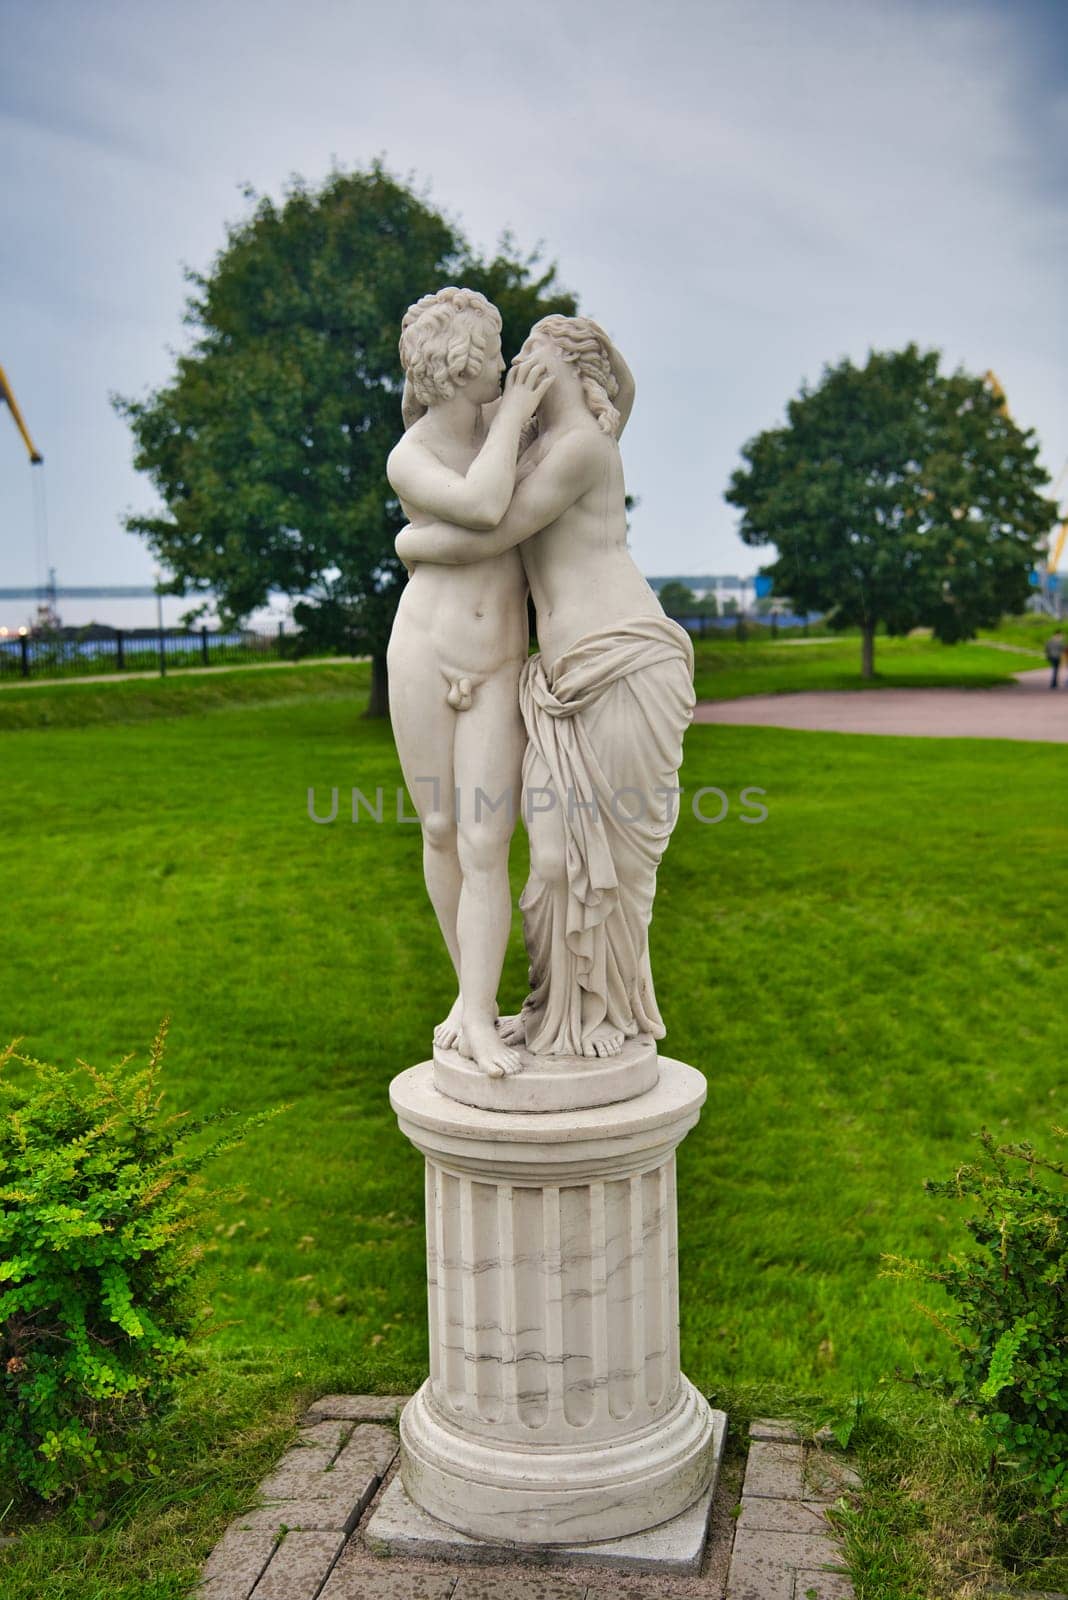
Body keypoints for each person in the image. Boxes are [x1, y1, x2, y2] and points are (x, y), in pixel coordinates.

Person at [396, 315, 692, 1062]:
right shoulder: (523, 437)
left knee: (613, 857)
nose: (519, 367)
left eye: (535, 355)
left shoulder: (581, 449)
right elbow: (440, 415)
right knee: (558, 857)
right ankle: (552, 1008)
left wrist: (409, 542)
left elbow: (493, 525)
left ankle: (603, 1013)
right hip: (559, 675)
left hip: (619, 658)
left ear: (573, 373)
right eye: (513, 353)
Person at [386, 287, 553, 1077]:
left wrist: (415, 539)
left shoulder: (504, 428)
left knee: (490, 840)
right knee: (442, 831)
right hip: (423, 655)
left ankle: (481, 1015)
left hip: (495, 666)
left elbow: (608, 407)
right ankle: (472, 1003)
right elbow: (487, 507)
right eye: (493, 348)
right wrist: (516, 415)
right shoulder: (411, 455)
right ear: (460, 366)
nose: (506, 360)